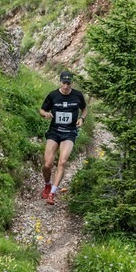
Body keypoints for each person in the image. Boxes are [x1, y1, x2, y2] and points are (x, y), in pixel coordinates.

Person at [39, 70, 87, 205]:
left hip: (69, 132)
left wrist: (82, 119)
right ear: (60, 82)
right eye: (64, 83)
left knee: (62, 162)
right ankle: (47, 184)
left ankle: (52, 193)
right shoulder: (53, 95)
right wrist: (45, 114)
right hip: (54, 132)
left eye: (68, 83)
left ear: (72, 83)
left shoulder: (77, 95)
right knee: (47, 164)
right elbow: (41, 110)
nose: (66, 86)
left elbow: (84, 109)